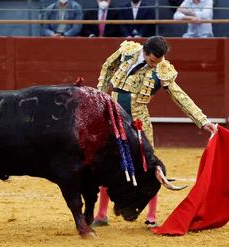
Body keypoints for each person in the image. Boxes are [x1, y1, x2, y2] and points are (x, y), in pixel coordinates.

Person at [93, 36, 217, 228]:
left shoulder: (162, 69)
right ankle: (101, 215)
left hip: (138, 121)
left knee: (149, 167)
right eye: (151, 61)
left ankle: (151, 216)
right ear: (145, 51)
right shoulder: (127, 51)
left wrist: (202, 121)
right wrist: (100, 95)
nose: (153, 65)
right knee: (108, 162)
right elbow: (107, 66)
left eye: (157, 62)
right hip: (114, 116)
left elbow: (179, 96)